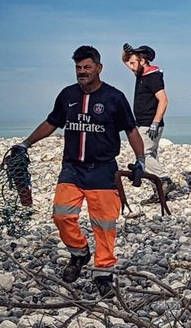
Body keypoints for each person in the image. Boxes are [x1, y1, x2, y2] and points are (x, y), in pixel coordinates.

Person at [12, 45, 145, 299]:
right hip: (72, 168)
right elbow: (52, 123)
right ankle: (79, 253)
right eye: (78, 68)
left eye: (87, 67)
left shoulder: (114, 98)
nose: (82, 72)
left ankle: (104, 272)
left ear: (99, 68)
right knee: (61, 215)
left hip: (104, 171)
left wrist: (140, 161)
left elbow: (131, 130)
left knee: (105, 225)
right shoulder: (67, 96)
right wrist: (25, 144)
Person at [121, 43, 171, 195]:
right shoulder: (141, 75)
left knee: (144, 155)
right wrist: (127, 53)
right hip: (143, 122)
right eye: (129, 64)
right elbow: (126, 60)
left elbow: (163, 100)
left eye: (133, 63)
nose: (130, 67)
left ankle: (164, 180)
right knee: (151, 156)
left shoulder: (153, 77)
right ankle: (159, 192)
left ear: (142, 61)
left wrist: (155, 122)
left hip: (150, 123)